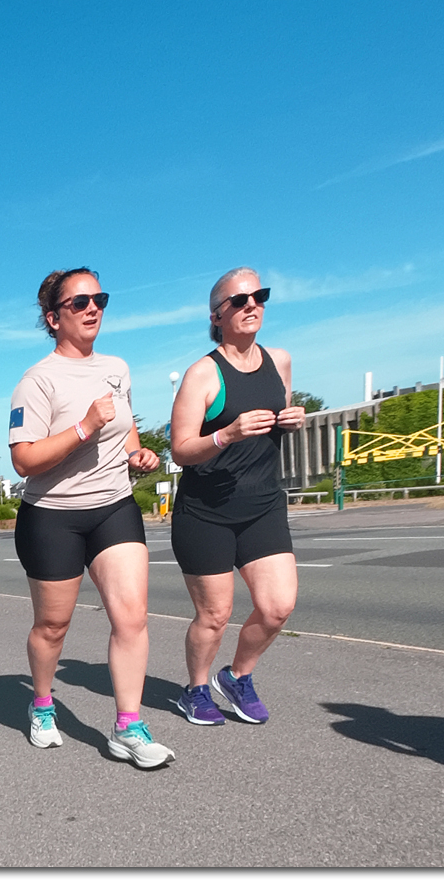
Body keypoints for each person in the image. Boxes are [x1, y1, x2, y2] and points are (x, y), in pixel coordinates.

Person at [8, 267, 175, 769]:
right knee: (53, 626)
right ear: (53, 317)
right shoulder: (36, 381)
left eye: (98, 298)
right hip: (52, 516)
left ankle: (128, 726)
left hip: (114, 507)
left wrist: (138, 454)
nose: (92, 308)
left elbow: (124, 432)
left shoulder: (117, 368)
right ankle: (41, 704)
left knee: (132, 617)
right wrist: (83, 426)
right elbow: (24, 460)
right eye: (78, 302)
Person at [169, 268, 304, 726]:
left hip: (263, 503)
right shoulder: (202, 373)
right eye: (239, 299)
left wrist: (290, 420)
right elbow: (181, 449)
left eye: (259, 295)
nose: (252, 304)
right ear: (217, 315)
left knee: (277, 606)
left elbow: (277, 414)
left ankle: (238, 675)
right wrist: (226, 433)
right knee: (214, 615)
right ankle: (195, 689)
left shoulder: (279, 360)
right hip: (205, 511)